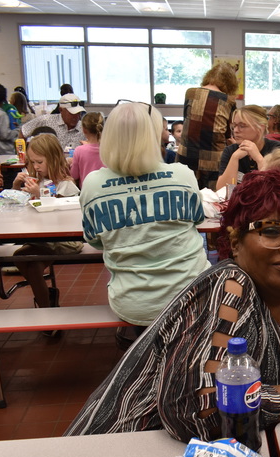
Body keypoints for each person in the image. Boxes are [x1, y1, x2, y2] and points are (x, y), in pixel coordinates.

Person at [66, 167, 280, 441]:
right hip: (115, 455)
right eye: (272, 230)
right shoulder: (229, 285)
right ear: (235, 241)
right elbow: (191, 410)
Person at [79, 101, 210, 328]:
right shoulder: (181, 175)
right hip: (193, 296)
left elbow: (96, 241)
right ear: (152, 135)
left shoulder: (93, 184)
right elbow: (197, 220)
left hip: (133, 303)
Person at [12, 134, 81, 310]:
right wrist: (15, 187)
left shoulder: (66, 185)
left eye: (39, 162)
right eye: (32, 162)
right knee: (26, 260)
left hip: (66, 240)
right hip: (42, 239)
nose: (35, 167)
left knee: (24, 258)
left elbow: (70, 216)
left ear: (53, 159)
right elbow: (18, 207)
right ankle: (46, 303)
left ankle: (45, 305)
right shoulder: (40, 181)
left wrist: (42, 194)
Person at [177, 62, 238, 188]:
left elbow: (186, 120)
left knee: (187, 195)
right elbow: (228, 134)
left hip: (186, 155)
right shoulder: (228, 101)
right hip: (214, 160)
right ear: (230, 83)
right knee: (213, 199)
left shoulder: (190, 93)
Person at [215, 105, 280, 189]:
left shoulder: (278, 149)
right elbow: (222, 190)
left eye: (242, 126)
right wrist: (234, 158)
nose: (236, 130)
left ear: (260, 128)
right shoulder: (230, 151)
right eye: (234, 126)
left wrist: (258, 158)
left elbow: (278, 187)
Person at [20, 93, 87, 150]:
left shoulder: (84, 128)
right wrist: (24, 154)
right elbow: (23, 131)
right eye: (72, 113)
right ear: (61, 110)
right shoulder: (45, 120)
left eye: (78, 113)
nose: (76, 117)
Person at [69, 112, 105, 185]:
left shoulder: (79, 150)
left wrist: (71, 163)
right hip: (106, 190)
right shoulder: (109, 148)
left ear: (84, 130)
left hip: (87, 191)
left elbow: (74, 175)